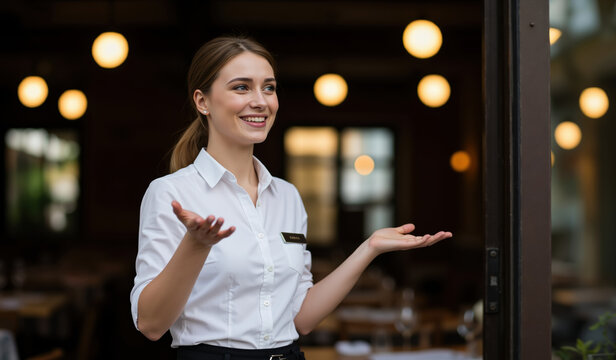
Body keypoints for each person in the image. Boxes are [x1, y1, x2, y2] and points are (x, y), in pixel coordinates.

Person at [130, 36, 452, 360]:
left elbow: (302, 318)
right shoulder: (172, 193)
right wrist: (195, 246)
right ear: (203, 101)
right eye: (241, 87)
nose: (261, 101)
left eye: (268, 88)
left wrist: (369, 248)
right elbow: (151, 324)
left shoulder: (287, 196)